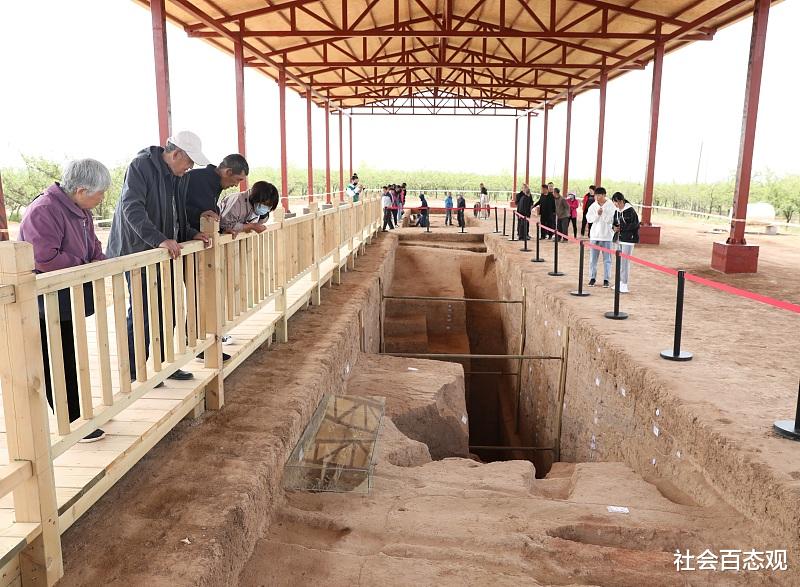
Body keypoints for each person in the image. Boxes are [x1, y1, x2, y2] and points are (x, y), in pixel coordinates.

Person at [106, 130, 212, 384]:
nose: (189, 168)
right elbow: (132, 207)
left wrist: (191, 232)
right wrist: (158, 239)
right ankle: (134, 373)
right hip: (138, 251)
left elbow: (175, 215)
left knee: (170, 308)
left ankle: (165, 364)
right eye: (188, 162)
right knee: (142, 312)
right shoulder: (141, 166)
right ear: (176, 154)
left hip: (163, 253)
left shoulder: (177, 176)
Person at [19, 159, 110, 442]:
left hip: (67, 298)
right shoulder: (44, 210)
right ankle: (70, 421)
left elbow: (94, 246)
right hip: (45, 303)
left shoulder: (81, 210)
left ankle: (77, 414)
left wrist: (97, 259)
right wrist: (84, 264)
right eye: (100, 193)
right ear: (81, 190)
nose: (102, 198)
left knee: (70, 356)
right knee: (55, 360)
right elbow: (44, 259)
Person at [182, 154, 249, 232]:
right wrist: (198, 215)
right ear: (228, 172)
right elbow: (176, 210)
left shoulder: (216, 185)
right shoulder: (194, 178)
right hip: (184, 241)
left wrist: (222, 231)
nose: (236, 185)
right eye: (238, 179)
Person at [585, 187, 615, 287]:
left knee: (607, 260)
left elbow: (611, 220)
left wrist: (603, 214)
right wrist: (597, 215)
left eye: (598, 195)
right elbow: (589, 219)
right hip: (595, 236)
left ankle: (606, 279)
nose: (596, 197)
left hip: (607, 236)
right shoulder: (593, 206)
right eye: (595, 195)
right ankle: (592, 278)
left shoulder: (611, 205)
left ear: (604, 195)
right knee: (593, 259)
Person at [611, 192, 640, 293]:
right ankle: (618, 282)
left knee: (625, 262)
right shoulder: (617, 211)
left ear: (621, 200)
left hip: (628, 240)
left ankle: (624, 283)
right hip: (618, 239)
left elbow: (635, 225)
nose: (616, 204)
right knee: (619, 262)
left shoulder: (630, 211)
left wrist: (621, 228)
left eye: (617, 202)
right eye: (614, 202)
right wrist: (614, 228)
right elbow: (614, 222)